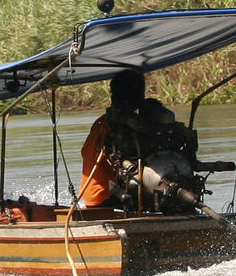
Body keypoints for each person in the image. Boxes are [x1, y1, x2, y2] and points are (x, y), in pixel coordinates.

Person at [78, 69, 197, 209]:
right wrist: (179, 130)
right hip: (106, 197)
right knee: (166, 199)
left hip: (90, 195)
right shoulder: (119, 128)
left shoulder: (101, 123)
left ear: (113, 95)